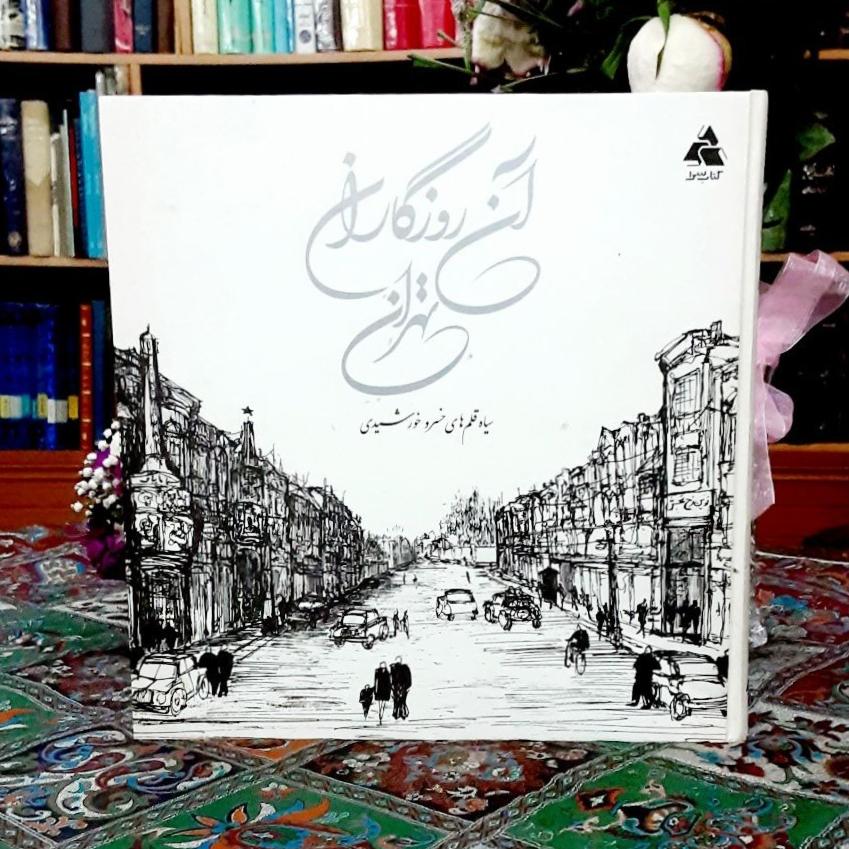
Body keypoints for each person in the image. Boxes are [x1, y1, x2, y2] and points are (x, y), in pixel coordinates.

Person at [390, 655, 412, 720]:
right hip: (398, 687)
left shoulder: (401, 668)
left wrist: (405, 687)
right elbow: (391, 679)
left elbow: (408, 679)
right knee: (400, 700)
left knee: (401, 700)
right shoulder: (394, 668)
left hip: (401, 687)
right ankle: (399, 713)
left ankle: (400, 713)